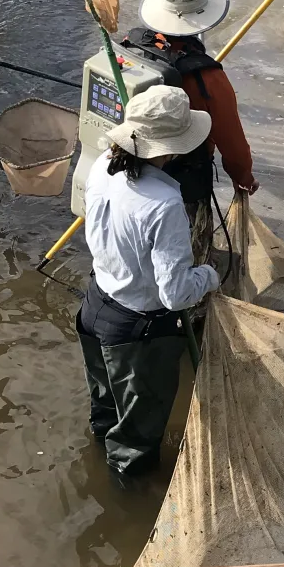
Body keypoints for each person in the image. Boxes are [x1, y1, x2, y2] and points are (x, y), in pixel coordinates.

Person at [79, 85, 221, 478]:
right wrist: (209, 275)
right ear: (173, 148)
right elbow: (175, 295)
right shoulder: (163, 204)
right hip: (137, 333)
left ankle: (98, 470)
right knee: (136, 444)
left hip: (94, 307)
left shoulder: (101, 164)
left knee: (106, 410)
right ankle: (126, 497)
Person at [131, 0, 258, 262]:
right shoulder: (206, 78)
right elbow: (232, 142)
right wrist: (244, 177)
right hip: (182, 181)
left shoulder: (131, 47)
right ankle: (194, 303)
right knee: (186, 255)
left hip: (129, 169)